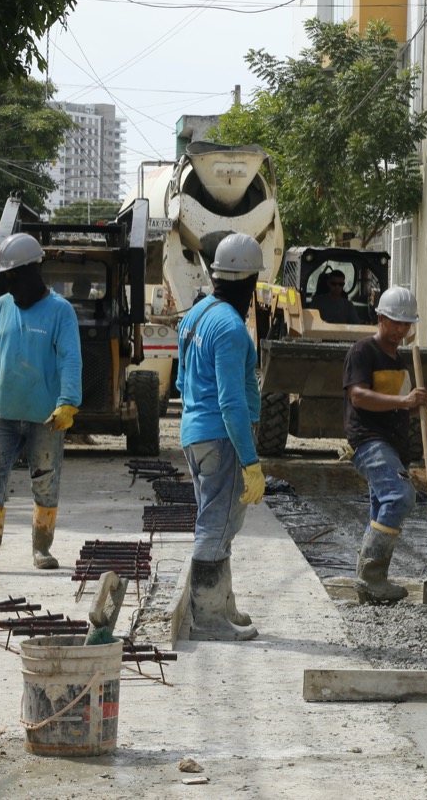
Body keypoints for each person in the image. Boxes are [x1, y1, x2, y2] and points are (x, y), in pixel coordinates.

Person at [0, 232, 82, 573]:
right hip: (1, 410)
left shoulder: (60, 312)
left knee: (44, 479)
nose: (9, 285)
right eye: (5, 277)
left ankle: (42, 549)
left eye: (14, 277)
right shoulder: (1, 308)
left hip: (45, 416)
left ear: (32, 271)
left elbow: (70, 359)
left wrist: (68, 402)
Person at [177, 232, 266, 641]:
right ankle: (208, 618)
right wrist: (250, 460)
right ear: (248, 283)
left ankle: (222, 603)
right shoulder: (231, 328)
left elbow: (182, 382)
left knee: (218, 522)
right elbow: (232, 403)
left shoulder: (195, 316)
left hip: (195, 434)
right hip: (223, 436)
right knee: (217, 524)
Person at [343, 285, 427, 603]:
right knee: (399, 496)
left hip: (394, 445)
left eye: (407, 324)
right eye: (396, 322)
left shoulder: (400, 360)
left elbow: (404, 401)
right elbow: (358, 396)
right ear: (380, 317)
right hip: (370, 440)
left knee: (380, 507)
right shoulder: (362, 352)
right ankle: (371, 578)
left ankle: (370, 588)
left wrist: (423, 401)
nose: (402, 329)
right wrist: (404, 400)